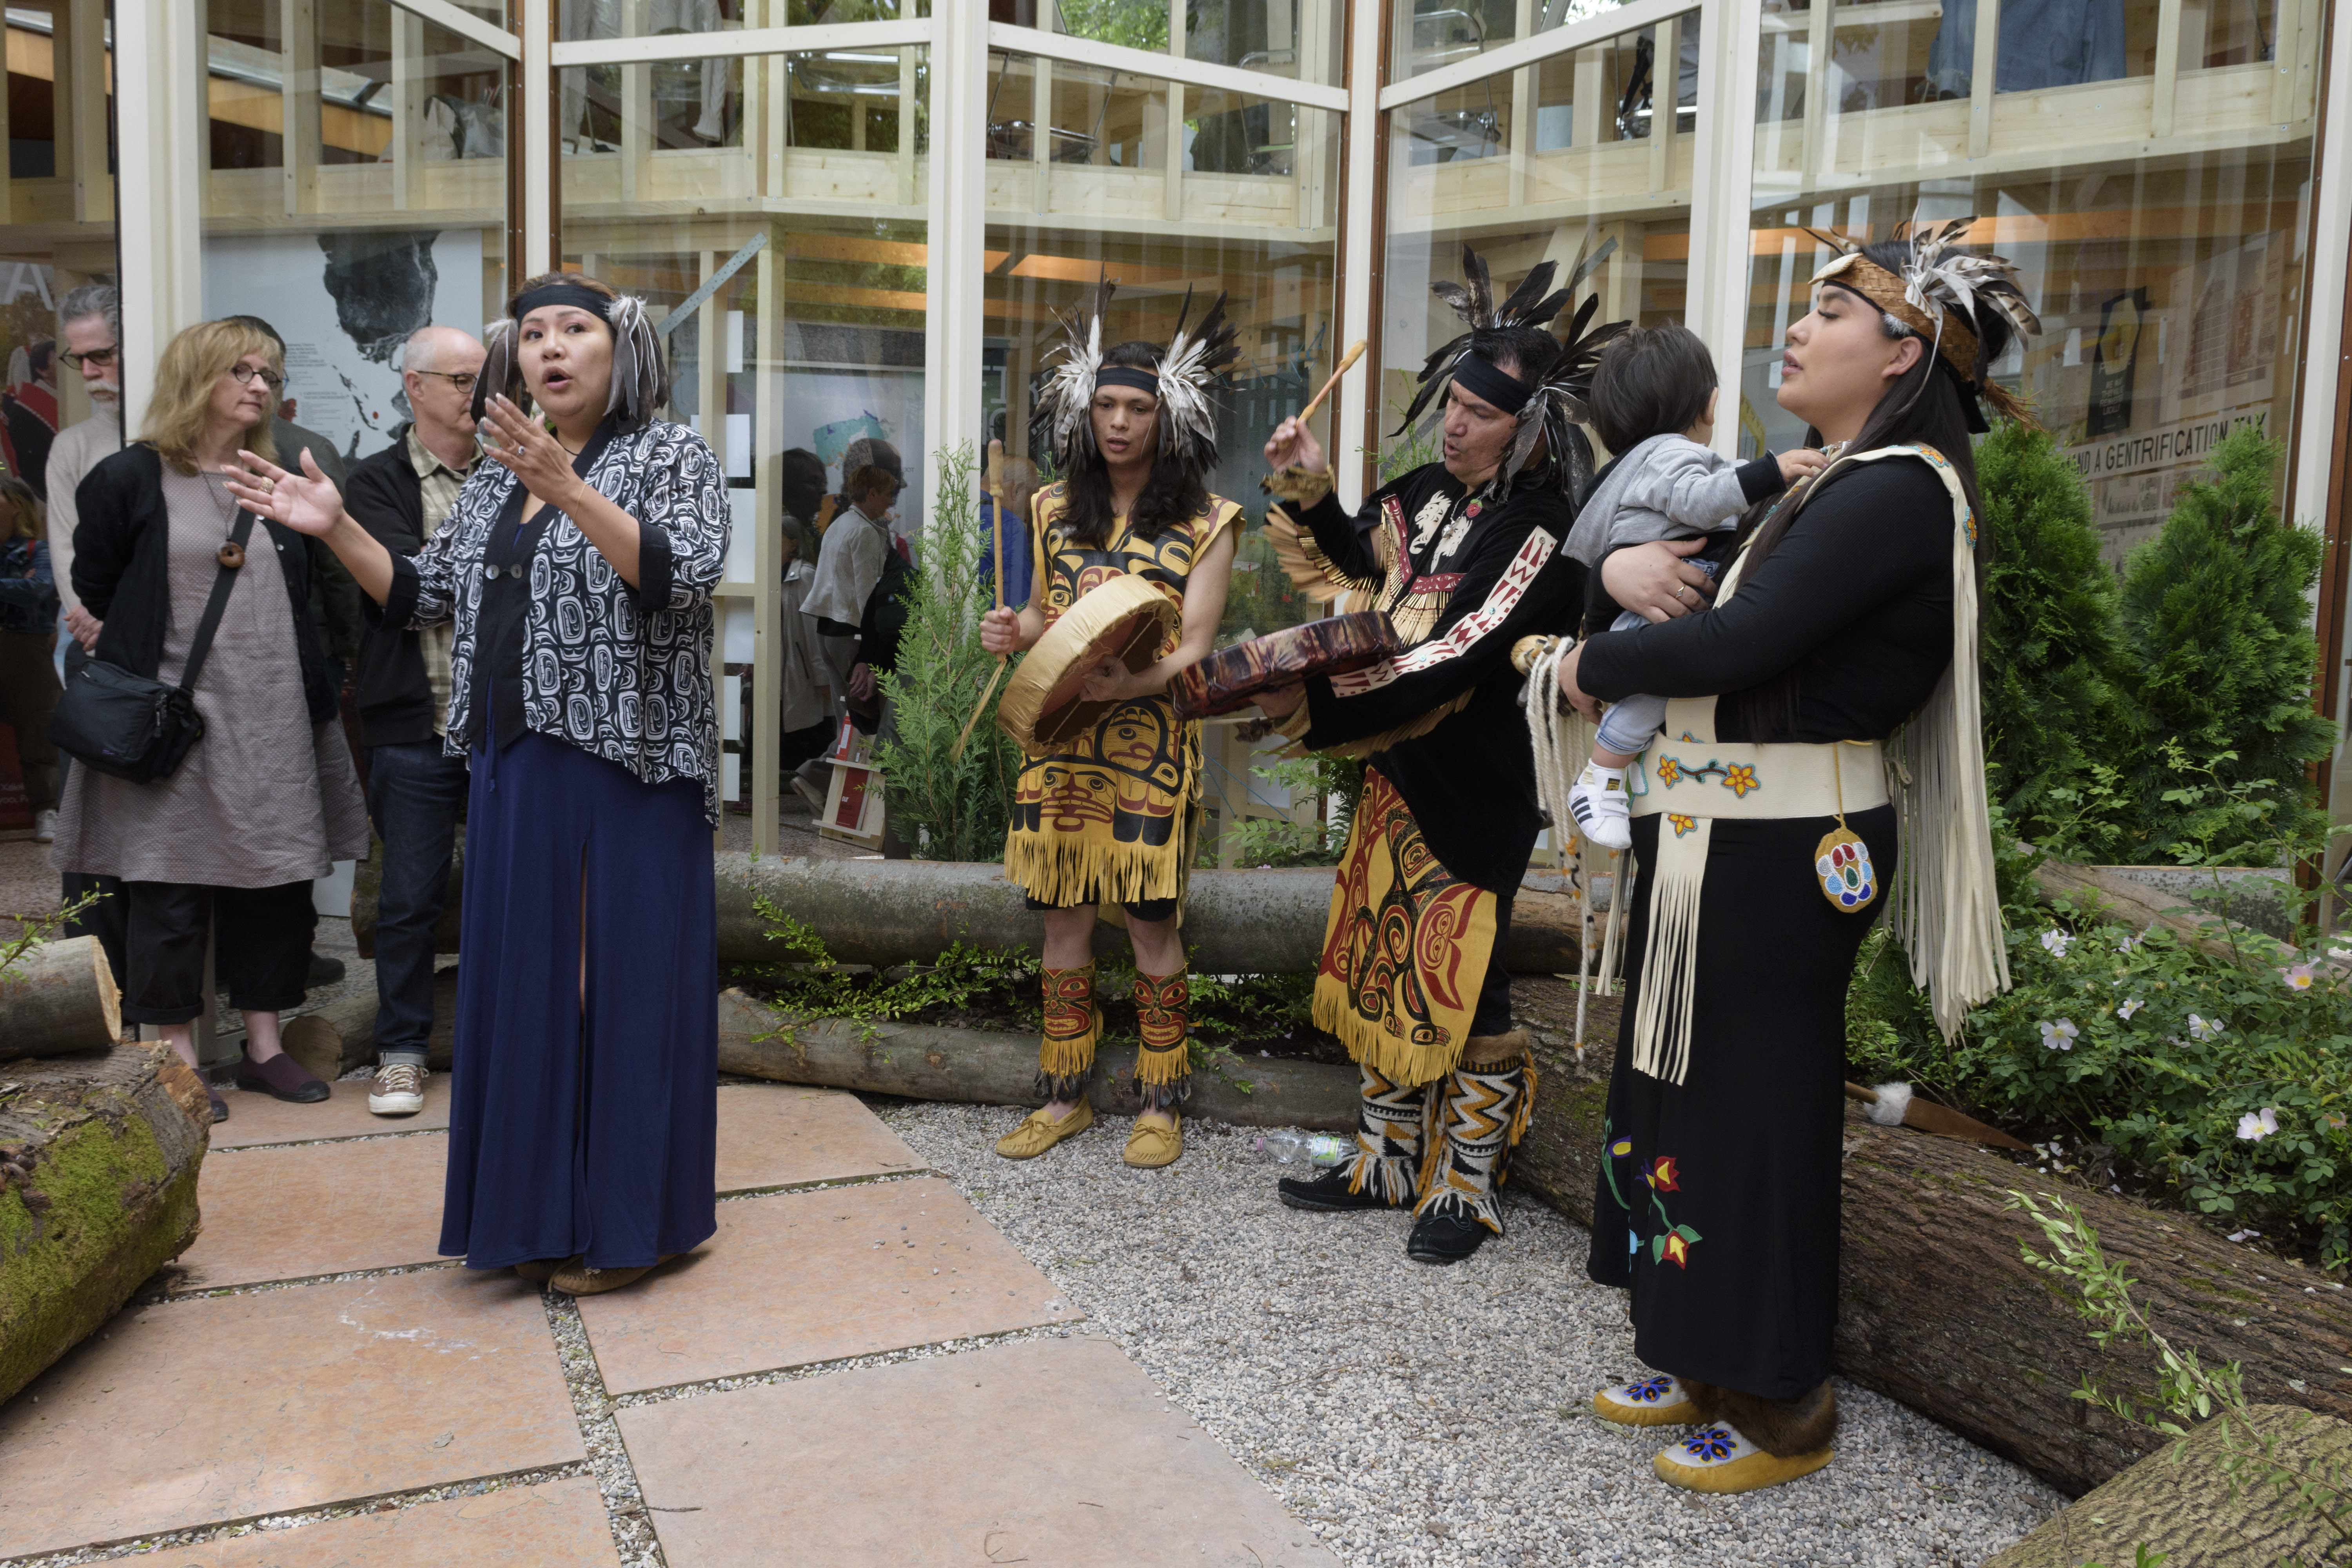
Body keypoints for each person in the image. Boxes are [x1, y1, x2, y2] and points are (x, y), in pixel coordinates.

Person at [1553, 220, 2029, 1494]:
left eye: (1830, 312)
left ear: (1901, 353)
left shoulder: (1898, 489)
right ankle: (1692, 1344)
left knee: (1753, 1106)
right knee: (1677, 1093)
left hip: (1786, 847)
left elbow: (1734, 646)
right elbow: (1700, 599)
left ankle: (1781, 1401)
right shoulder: (1833, 485)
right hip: (1714, 833)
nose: (1799, 327)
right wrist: (1633, 561)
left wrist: (1582, 662)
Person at [227, 272, 730, 1299]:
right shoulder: (500, 474)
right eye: (535, 332)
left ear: (618, 350)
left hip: (625, 763)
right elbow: (424, 595)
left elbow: (684, 573)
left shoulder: (669, 454)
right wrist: (335, 528)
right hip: (511, 762)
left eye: (575, 330)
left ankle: (633, 1223)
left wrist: (570, 487)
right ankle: (536, 1213)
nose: (551, 349)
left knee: (610, 986)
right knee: (530, 992)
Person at [1250, 246, 1617, 1263]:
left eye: (1479, 414)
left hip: (1479, 785)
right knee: (1381, 957)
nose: (1455, 422)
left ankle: (1468, 1182)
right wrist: (1307, 479)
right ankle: (1386, 1159)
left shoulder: (1543, 534)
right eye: (1450, 403)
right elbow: (1353, 558)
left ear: (1529, 427)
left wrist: (1310, 698)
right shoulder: (1423, 490)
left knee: (1473, 976)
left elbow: (1459, 650)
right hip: (1395, 769)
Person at [50, 319, 371, 1125]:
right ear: (199, 378)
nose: (259, 385)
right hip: (175, 725)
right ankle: (177, 1054)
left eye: (268, 370)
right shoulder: (130, 477)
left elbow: (309, 587)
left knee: (276, 884)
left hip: (272, 719)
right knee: (169, 888)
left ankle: (263, 1046)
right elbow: (97, 579)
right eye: (241, 369)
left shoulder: (273, 476)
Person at [982, 285, 1241, 1171]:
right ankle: (1065, 1095)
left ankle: (1160, 1102)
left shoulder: (1209, 523)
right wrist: (1012, 633)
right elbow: (1042, 614)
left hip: (1151, 751)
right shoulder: (1053, 508)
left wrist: (1136, 680)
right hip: (1060, 745)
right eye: (1107, 405)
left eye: (1138, 407)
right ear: (1085, 412)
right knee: (1062, 926)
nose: (1120, 422)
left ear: (1167, 418)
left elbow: (1199, 647)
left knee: (1148, 928)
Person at [1561, 324, 1826, 849]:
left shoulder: (1649, 459)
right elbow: (1700, 499)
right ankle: (1600, 777)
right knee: (1654, 695)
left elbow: (1718, 482)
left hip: (1659, 595)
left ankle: (1614, 773)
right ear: (1710, 405)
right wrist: (1772, 472)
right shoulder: (1668, 455)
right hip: (1665, 602)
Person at [339, 324, 487, 1118]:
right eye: (460, 378)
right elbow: (398, 592)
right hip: (415, 724)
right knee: (407, 901)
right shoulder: (373, 484)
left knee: (514, 892)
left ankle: (509, 1038)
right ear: (415, 387)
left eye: (484, 378)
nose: (477, 393)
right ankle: (400, 1052)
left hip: (508, 729)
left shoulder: (515, 472)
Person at [44, 284, 128, 987]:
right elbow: (68, 554)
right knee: (89, 823)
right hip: (99, 659)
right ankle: (94, 979)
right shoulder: (73, 446)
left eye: (101, 355)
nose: (92, 373)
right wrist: (98, 625)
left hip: (177, 655)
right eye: (81, 362)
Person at [795, 461, 900, 808]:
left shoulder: (841, 524)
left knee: (851, 718)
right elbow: (870, 597)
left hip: (829, 630)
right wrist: (871, 656)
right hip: (853, 635)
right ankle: (816, 777)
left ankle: (822, 786)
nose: (890, 502)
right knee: (866, 720)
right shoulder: (866, 533)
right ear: (871, 494)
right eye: (887, 494)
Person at [0, 477, 59, 840]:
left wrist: (24, 586)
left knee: (38, 729)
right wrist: (17, 585)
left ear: (15, 505)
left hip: (27, 646)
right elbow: (24, 588)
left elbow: (38, 589)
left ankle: (47, 810)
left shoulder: (39, 549)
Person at [773, 512, 833, 778]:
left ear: (794, 544)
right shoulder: (770, 575)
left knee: (806, 732)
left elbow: (813, 631)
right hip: (779, 673)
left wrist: (821, 676)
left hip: (801, 674)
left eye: (777, 537)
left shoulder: (805, 576)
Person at [975, 452, 1038, 610]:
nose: (1028, 515)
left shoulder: (958, 512)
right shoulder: (1009, 525)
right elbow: (1019, 606)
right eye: (1030, 502)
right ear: (1016, 490)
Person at [1, 340, 58, 499]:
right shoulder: (25, 412)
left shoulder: (64, 400)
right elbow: (8, 466)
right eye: (58, 358)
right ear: (42, 370)